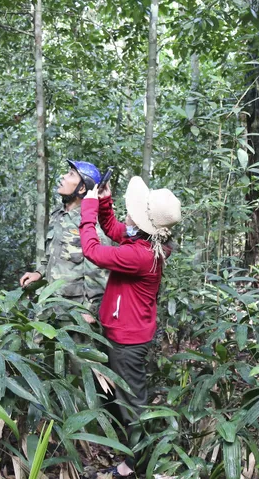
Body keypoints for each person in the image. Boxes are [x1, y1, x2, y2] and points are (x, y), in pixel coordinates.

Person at [79, 175, 181, 477]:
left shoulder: (140, 254)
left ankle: (138, 467)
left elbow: (93, 251)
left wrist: (88, 207)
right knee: (121, 401)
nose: (130, 215)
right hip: (122, 333)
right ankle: (130, 461)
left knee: (132, 406)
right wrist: (105, 202)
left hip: (129, 342)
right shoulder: (144, 239)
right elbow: (113, 229)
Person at [19, 160, 109, 321]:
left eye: (71, 174)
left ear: (82, 188)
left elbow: (98, 275)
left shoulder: (90, 226)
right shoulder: (58, 215)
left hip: (74, 314)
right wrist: (39, 273)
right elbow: (53, 255)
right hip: (48, 306)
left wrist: (90, 312)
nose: (63, 177)